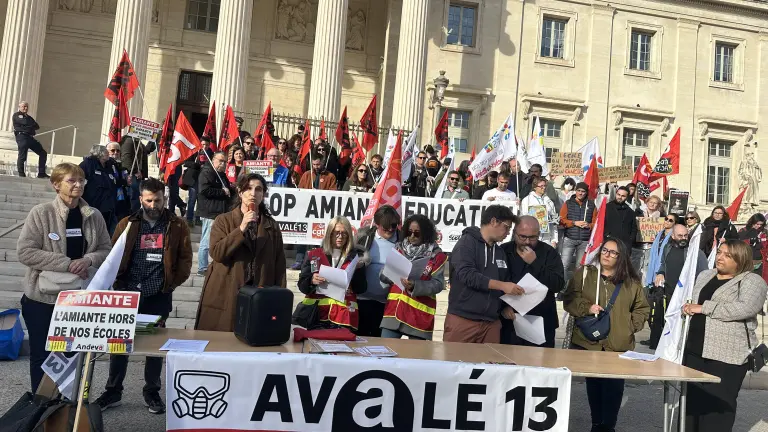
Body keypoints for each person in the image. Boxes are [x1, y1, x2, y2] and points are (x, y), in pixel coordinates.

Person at [94, 178, 192, 414]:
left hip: (158, 294)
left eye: (158, 200)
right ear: (141, 199)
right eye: (148, 200)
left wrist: (170, 284)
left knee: (154, 347)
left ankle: (152, 392)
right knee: (120, 345)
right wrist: (117, 283)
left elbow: (185, 260)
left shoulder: (177, 225)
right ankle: (113, 391)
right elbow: (114, 255)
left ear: (164, 198)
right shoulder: (127, 223)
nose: (154, 204)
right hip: (128, 293)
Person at [17, 163, 111, 392]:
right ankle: (41, 410)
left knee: (73, 355)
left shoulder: (93, 214)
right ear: (56, 185)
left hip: (78, 299)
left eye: (81, 180)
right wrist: (67, 263)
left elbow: (106, 249)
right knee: (42, 355)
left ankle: (68, 407)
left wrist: (88, 260)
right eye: (71, 181)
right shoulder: (41, 213)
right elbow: (25, 252)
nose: (78, 185)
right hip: (42, 298)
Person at [563, 238, 650, 432]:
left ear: (621, 258)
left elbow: (642, 308)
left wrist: (629, 326)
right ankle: (597, 424)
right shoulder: (585, 275)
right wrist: (586, 307)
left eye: (612, 252)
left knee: (613, 389)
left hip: (617, 345)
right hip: (589, 342)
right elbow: (569, 299)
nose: (607, 255)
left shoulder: (631, 282)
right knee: (593, 387)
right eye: (604, 250)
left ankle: (607, 426)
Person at [682, 240, 768, 432]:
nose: (719, 257)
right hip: (694, 350)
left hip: (727, 356)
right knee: (692, 404)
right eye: (719, 252)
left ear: (740, 259)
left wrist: (703, 308)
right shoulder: (705, 275)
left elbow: (746, 308)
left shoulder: (752, 281)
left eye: (727, 255)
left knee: (717, 408)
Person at [196, 173, 287, 331]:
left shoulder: (271, 226)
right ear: (239, 192)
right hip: (227, 293)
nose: (253, 193)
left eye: (258, 189)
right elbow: (217, 253)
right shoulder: (223, 220)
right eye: (248, 188)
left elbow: (279, 264)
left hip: (259, 294)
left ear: (263, 194)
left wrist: (279, 298)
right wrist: (241, 229)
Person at [444, 205, 522, 344]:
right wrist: (502, 285)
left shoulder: (499, 252)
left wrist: (505, 306)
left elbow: (505, 280)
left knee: (489, 365)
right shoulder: (466, 243)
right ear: (493, 221)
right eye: (506, 227)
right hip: (463, 320)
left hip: (491, 324)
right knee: (455, 362)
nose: (508, 232)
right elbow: (467, 275)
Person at [500, 216, 564, 347]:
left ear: (539, 235)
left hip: (540, 322)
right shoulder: (503, 251)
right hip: (510, 322)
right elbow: (495, 282)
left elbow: (558, 284)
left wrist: (535, 263)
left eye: (532, 237)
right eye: (522, 237)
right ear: (514, 233)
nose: (527, 242)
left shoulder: (549, 253)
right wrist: (502, 307)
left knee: (541, 364)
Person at [380, 214, 447, 340]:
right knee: (384, 353)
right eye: (409, 232)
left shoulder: (437, 256)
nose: (412, 236)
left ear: (425, 234)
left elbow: (438, 284)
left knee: (416, 358)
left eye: (416, 233)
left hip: (419, 318)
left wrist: (415, 285)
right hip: (393, 313)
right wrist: (387, 273)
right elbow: (384, 275)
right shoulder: (399, 248)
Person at [296, 216, 367, 330]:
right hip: (317, 315)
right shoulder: (314, 254)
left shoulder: (355, 257)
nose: (340, 237)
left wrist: (358, 271)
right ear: (330, 233)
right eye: (336, 233)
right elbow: (302, 285)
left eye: (344, 233)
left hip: (344, 317)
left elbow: (362, 288)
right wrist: (311, 280)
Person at [648, 224, 708, 349]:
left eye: (686, 235)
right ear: (673, 236)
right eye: (680, 235)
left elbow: (704, 274)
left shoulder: (695, 252)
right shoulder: (667, 248)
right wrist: (660, 273)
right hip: (669, 292)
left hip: (685, 294)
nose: (683, 238)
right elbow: (663, 264)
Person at [355, 206, 401, 337]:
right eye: (386, 227)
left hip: (388, 303)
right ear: (377, 224)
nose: (391, 230)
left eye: (394, 226)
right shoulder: (364, 236)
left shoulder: (402, 240)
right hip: (362, 299)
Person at [292, 156, 338, 270]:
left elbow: (333, 193)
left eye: (318, 165)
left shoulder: (330, 176)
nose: (316, 167)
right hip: (306, 211)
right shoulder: (307, 175)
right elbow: (300, 190)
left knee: (317, 240)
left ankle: (315, 264)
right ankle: (299, 260)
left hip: (321, 213)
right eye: (314, 165)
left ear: (323, 163)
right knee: (302, 237)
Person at [196, 151, 234, 276]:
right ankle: (202, 267)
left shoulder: (221, 174)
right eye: (220, 161)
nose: (223, 164)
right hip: (210, 212)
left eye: (225, 161)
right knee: (206, 241)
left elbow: (227, 190)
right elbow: (204, 190)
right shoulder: (207, 172)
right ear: (213, 160)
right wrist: (222, 192)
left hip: (220, 211)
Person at [560, 182, 597, 281]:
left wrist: (589, 225)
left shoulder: (591, 205)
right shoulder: (568, 203)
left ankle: (575, 288)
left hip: (584, 241)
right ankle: (563, 287)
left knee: (579, 267)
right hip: (569, 239)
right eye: (579, 191)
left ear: (586, 193)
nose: (580, 193)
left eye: (583, 191)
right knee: (564, 265)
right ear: (575, 191)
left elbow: (596, 222)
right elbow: (562, 220)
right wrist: (574, 223)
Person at [80, 144, 118, 234]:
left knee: (105, 229)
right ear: (99, 153)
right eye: (106, 151)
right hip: (90, 204)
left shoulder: (109, 165)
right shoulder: (88, 163)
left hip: (107, 206)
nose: (108, 153)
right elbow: (77, 176)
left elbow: (116, 180)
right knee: (89, 228)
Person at [12, 101, 49, 178]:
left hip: (30, 137)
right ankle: (21, 174)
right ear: (19, 107)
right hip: (22, 136)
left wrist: (27, 126)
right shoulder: (17, 115)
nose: (25, 108)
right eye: (23, 106)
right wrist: (29, 126)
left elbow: (37, 126)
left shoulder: (29, 117)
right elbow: (25, 122)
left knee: (43, 153)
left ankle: (41, 173)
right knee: (22, 156)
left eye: (26, 107)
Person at [520, 177, 559, 247]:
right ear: (535, 187)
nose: (544, 188)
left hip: (547, 238)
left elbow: (554, 221)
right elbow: (523, 219)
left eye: (545, 186)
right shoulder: (527, 200)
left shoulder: (549, 201)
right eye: (541, 186)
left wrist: (554, 239)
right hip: (531, 237)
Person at [181, 144, 213, 228]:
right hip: (194, 180)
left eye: (206, 145)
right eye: (203, 144)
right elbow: (186, 163)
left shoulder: (210, 153)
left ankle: (198, 218)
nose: (204, 147)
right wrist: (198, 165)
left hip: (204, 179)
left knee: (200, 200)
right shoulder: (194, 151)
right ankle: (189, 219)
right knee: (192, 200)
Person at [603, 186, 638, 252]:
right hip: (609, 242)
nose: (620, 197)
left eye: (623, 196)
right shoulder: (606, 207)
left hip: (624, 245)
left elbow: (634, 228)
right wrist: (606, 235)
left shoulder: (630, 211)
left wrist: (630, 240)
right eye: (618, 194)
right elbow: (600, 224)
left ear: (626, 197)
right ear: (616, 194)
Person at [120, 135, 149, 213]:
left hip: (139, 175)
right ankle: (131, 216)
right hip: (132, 174)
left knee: (136, 197)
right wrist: (134, 171)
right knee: (133, 197)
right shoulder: (129, 140)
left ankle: (134, 215)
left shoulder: (138, 141)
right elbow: (126, 158)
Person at [106, 142, 132, 223]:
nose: (116, 153)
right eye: (112, 150)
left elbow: (125, 182)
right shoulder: (106, 165)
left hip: (122, 199)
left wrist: (127, 181)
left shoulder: (121, 166)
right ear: (107, 152)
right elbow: (112, 180)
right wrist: (124, 181)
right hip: (110, 200)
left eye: (118, 151)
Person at [738, 213, 768, 281]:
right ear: (752, 222)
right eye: (757, 224)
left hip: (760, 262)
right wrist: (750, 240)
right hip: (746, 261)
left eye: (761, 224)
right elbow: (738, 244)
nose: (759, 226)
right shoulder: (743, 231)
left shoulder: (764, 232)